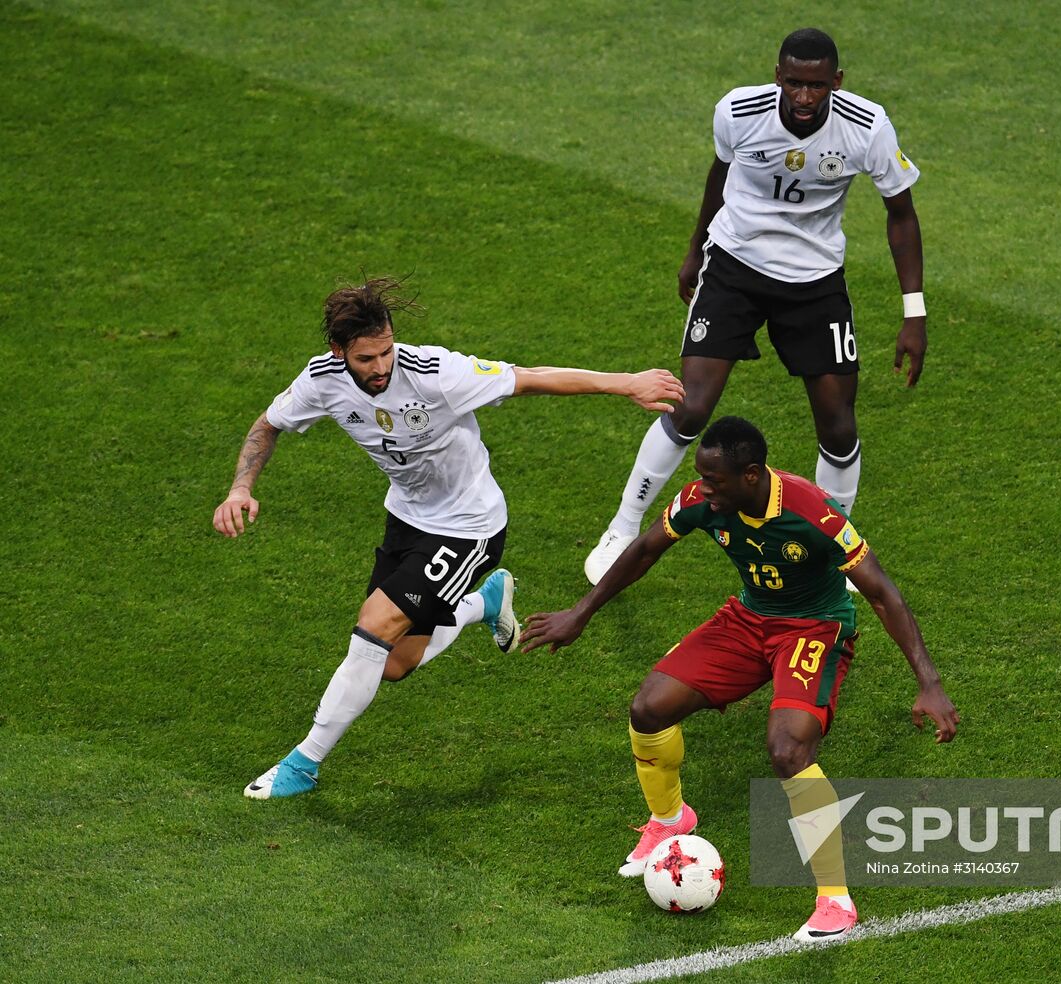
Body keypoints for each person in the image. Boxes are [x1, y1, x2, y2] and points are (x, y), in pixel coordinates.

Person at [213, 276, 683, 799]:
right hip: (406, 519)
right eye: (366, 358)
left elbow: (529, 378)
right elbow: (268, 424)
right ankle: (483, 604)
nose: (381, 366)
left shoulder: (435, 372)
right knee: (393, 663)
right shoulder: (321, 380)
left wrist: (627, 382)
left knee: (373, 628)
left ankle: (303, 764)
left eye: (387, 351)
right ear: (339, 352)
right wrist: (240, 488)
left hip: (468, 527)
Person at [523, 416, 958, 941]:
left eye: (714, 480)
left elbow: (883, 593)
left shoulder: (813, 512)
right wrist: (581, 612)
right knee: (648, 708)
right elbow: (644, 549)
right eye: (701, 477)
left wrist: (929, 682)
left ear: (751, 475)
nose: (702, 489)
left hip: (815, 628)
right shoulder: (702, 502)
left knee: (788, 750)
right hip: (749, 620)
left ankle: (836, 901)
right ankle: (670, 819)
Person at [585, 27, 927, 585]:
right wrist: (696, 249)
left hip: (815, 280)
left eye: (817, 86)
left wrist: (914, 312)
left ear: (837, 82)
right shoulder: (738, 112)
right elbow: (719, 175)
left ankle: (831, 552)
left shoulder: (867, 127)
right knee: (690, 405)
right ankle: (622, 528)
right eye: (793, 83)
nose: (804, 96)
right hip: (734, 268)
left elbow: (902, 214)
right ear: (777, 76)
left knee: (838, 425)